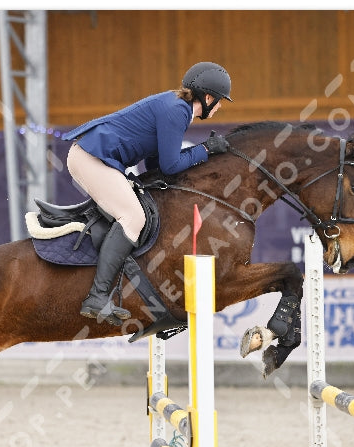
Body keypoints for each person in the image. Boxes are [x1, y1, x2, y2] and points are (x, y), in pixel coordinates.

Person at [63, 61, 232, 325]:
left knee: (138, 210)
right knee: (134, 217)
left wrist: (201, 153)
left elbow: (157, 165)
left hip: (92, 156)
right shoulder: (177, 111)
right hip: (91, 158)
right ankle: (97, 297)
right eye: (220, 101)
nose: (220, 107)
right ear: (208, 97)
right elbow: (170, 165)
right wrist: (206, 150)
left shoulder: (176, 107)